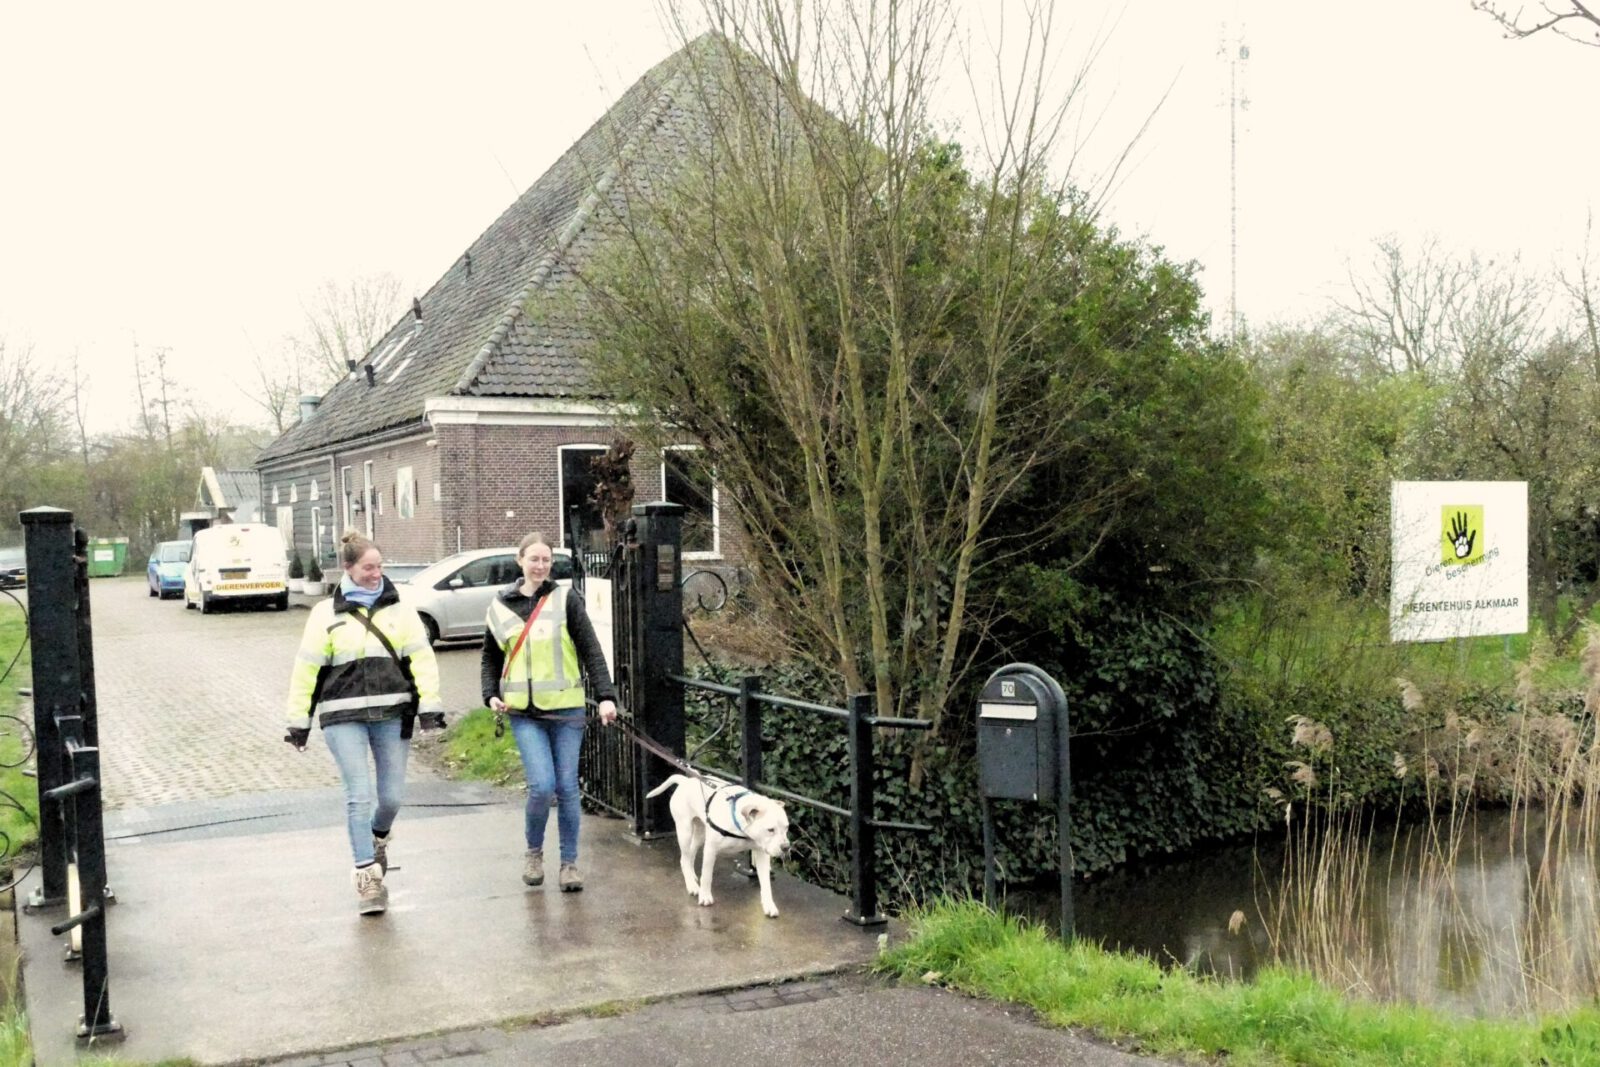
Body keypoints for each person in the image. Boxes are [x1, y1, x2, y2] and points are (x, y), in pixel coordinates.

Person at [284, 530, 446, 915]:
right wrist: (298, 722)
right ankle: (367, 880)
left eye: (379, 566)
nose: (376, 574)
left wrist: (431, 709)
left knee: (390, 798)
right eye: (368, 568)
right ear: (348, 568)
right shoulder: (325, 614)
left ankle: (378, 839)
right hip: (343, 716)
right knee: (358, 795)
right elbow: (307, 670)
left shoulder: (401, 609)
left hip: (392, 713)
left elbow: (421, 660)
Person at [482, 531, 618, 891]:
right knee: (542, 787)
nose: (541, 566)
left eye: (546, 560)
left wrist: (606, 696)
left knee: (567, 786)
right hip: (524, 714)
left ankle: (570, 863)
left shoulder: (565, 599)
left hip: (567, 711)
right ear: (520, 560)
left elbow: (591, 649)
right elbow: (490, 657)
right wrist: (488, 694)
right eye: (534, 559)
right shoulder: (499, 606)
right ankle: (533, 852)